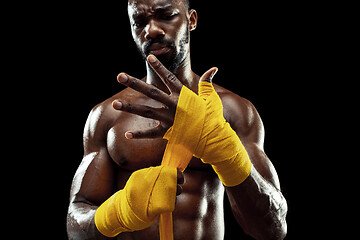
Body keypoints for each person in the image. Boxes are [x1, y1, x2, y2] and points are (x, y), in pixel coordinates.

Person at [66, 0, 288, 239]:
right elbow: (75, 226)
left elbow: (272, 228)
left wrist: (223, 149)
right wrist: (118, 212)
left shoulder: (233, 111)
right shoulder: (108, 114)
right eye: (139, 22)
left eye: (166, 15)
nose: (151, 30)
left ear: (191, 20)